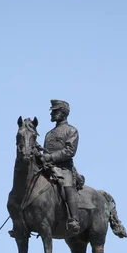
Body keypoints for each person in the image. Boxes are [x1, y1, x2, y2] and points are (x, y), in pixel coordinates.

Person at [41, 99, 80, 236]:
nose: (52, 114)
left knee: (67, 186)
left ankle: (74, 219)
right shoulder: (49, 133)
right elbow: (45, 152)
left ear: (63, 113)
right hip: (48, 168)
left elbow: (70, 151)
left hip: (64, 169)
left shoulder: (71, 130)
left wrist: (50, 157)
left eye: (55, 111)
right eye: (52, 111)